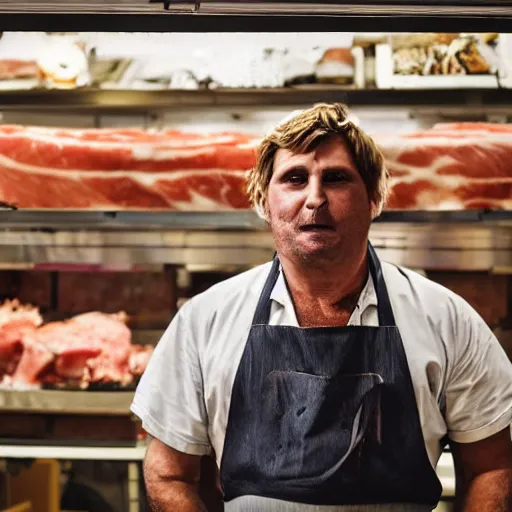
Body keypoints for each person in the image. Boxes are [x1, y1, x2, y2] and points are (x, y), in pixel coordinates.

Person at [131, 103, 512, 511]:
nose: (315, 198)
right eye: (295, 179)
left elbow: (492, 467)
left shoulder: (445, 319)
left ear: (374, 198)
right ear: (263, 200)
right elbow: (169, 473)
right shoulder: (204, 321)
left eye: (336, 179)